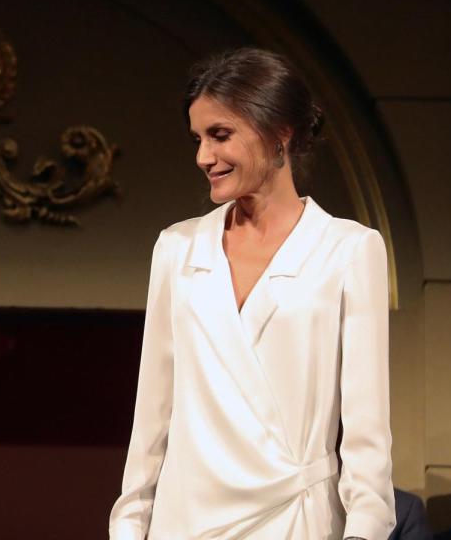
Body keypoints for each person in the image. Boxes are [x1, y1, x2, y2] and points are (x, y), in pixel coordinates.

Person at [108, 48, 395, 539]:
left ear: (280, 132)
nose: (203, 156)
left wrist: (364, 531)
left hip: (295, 520)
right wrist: (130, 526)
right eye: (198, 139)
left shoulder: (348, 250)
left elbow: (367, 441)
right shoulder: (178, 248)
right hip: (185, 523)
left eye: (220, 135)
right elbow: (151, 418)